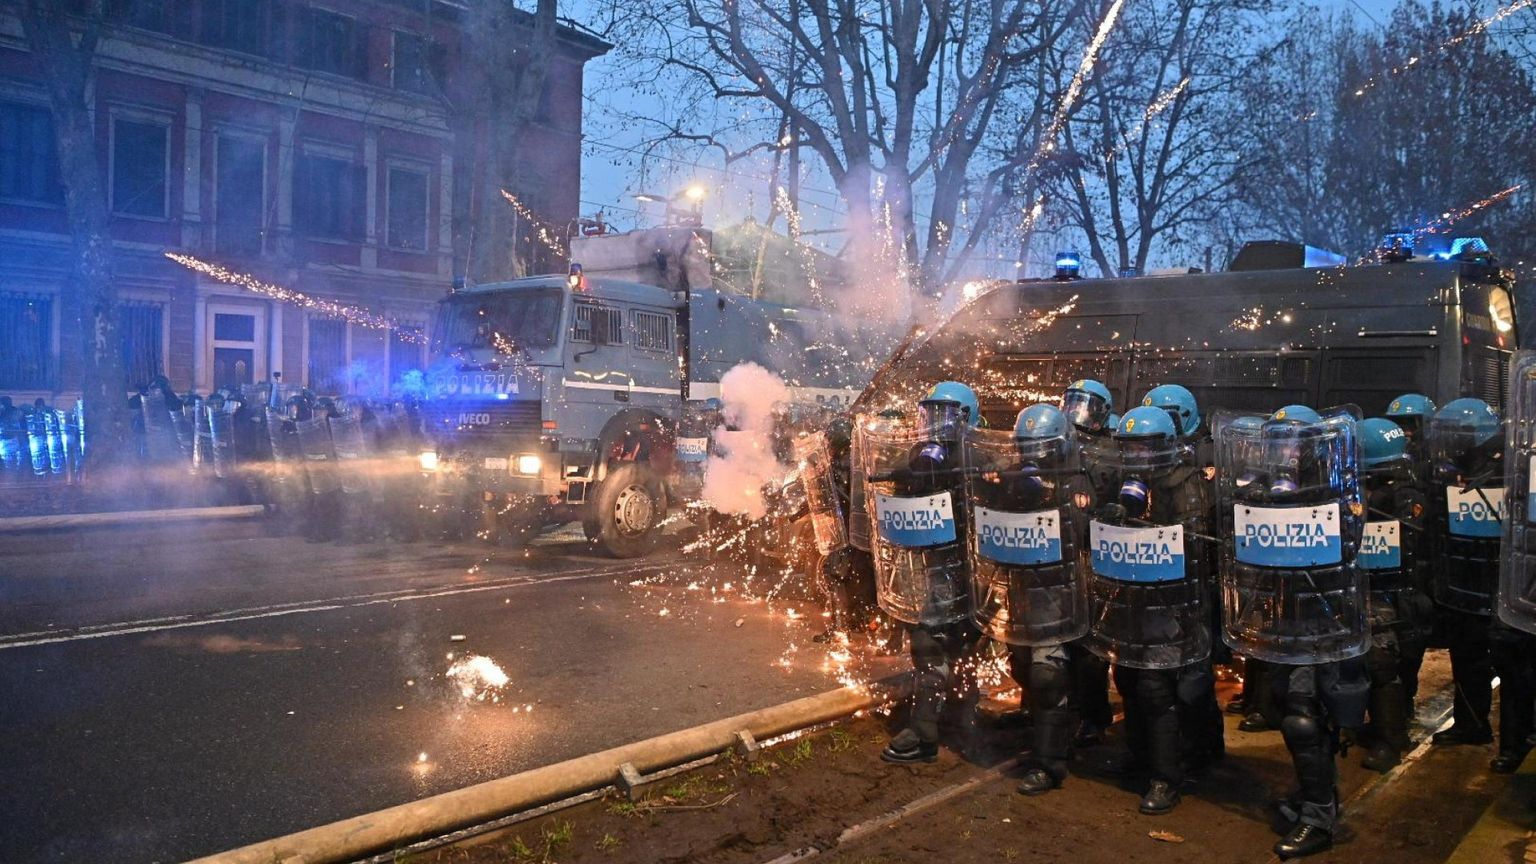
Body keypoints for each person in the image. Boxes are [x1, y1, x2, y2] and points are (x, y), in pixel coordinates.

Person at [1226, 405, 1369, 858]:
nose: (1282, 451)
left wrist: (1304, 506)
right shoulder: (1264, 488)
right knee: (1283, 707)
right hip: (1281, 615)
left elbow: (1348, 545)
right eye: (1277, 442)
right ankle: (1312, 794)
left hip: (1319, 616)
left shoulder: (1337, 488)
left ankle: (1318, 818)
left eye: (1290, 441)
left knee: (1304, 716)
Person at [1086, 406, 1213, 814]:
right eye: (1130, 446)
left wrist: (1138, 529)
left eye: (1144, 445)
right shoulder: (1124, 482)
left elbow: (1193, 546)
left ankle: (1165, 777)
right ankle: (1138, 758)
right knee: (1126, 678)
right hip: (1129, 601)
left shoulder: (1184, 482)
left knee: (1156, 691)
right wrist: (1101, 519)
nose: (1137, 454)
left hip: (1170, 607)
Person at [971, 403, 1093, 794]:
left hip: (1059, 591)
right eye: (1026, 447)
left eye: (1040, 447)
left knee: (1047, 674)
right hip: (1020, 590)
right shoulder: (1012, 476)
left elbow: (1083, 530)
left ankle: (1049, 763)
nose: (1032, 455)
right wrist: (994, 484)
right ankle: (1051, 722)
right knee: (1023, 667)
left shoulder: (1078, 480)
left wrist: (1050, 494)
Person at [873, 382, 982, 763]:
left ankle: (925, 733)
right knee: (939, 644)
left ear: (968, 418)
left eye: (947, 414)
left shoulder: (981, 457)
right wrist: (905, 480)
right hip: (934, 566)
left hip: (970, 570)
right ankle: (955, 718)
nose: (938, 422)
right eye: (932, 413)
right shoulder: (922, 456)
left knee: (937, 644)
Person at [1141, 384, 1225, 772]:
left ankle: (1203, 751)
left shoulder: (1198, 468)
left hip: (1190, 590)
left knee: (1191, 684)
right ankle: (1158, 758)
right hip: (1148, 591)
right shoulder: (1139, 471)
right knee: (1149, 684)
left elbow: (1198, 538)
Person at [1426, 399, 1503, 749]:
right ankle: (1472, 725)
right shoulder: (1460, 469)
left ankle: (1515, 739)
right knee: (1468, 663)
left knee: (1509, 668)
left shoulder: (1501, 471)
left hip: (1493, 584)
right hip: (1463, 585)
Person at [1357, 417, 1431, 772]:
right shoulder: (1388, 490)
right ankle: (1386, 728)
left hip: (1393, 594)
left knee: (1384, 667)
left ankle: (1390, 740)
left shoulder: (1401, 496)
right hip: (1378, 592)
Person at [1059, 379, 1117, 746]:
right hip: (1059, 555)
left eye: (1087, 405)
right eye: (1073, 402)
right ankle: (1051, 707)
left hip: (1092, 558)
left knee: (1088, 644)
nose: (1078, 413)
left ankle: (1094, 715)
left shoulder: (1110, 451)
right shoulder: (1056, 444)